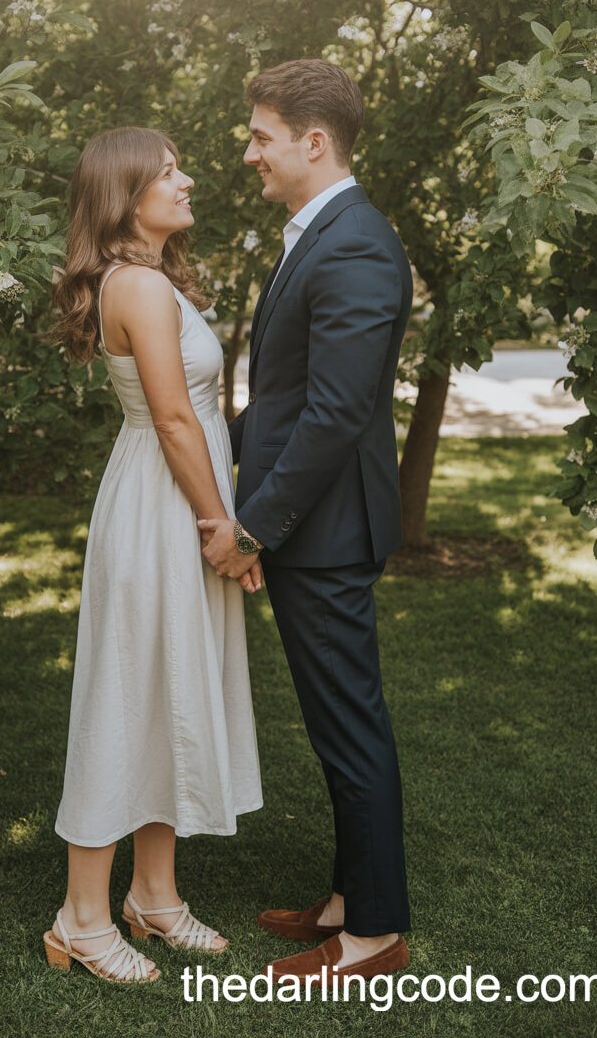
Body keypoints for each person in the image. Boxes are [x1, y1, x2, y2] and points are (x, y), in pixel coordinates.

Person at [199, 59, 413, 984]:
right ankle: (346, 898)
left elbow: (334, 414)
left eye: (260, 136)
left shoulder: (358, 243)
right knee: (337, 726)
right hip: (310, 527)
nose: (249, 154)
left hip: (323, 533)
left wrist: (253, 527)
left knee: (350, 727)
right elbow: (287, 404)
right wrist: (205, 452)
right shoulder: (318, 235)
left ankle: (374, 936)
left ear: (311, 142)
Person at [44, 127, 263, 984]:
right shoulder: (135, 284)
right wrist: (224, 527)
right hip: (164, 506)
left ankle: (155, 897)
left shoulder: (156, 279)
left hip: (179, 496)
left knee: (170, 684)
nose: (188, 179)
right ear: (124, 196)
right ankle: (82, 918)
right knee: (128, 693)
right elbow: (175, 420)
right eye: (167, 172)